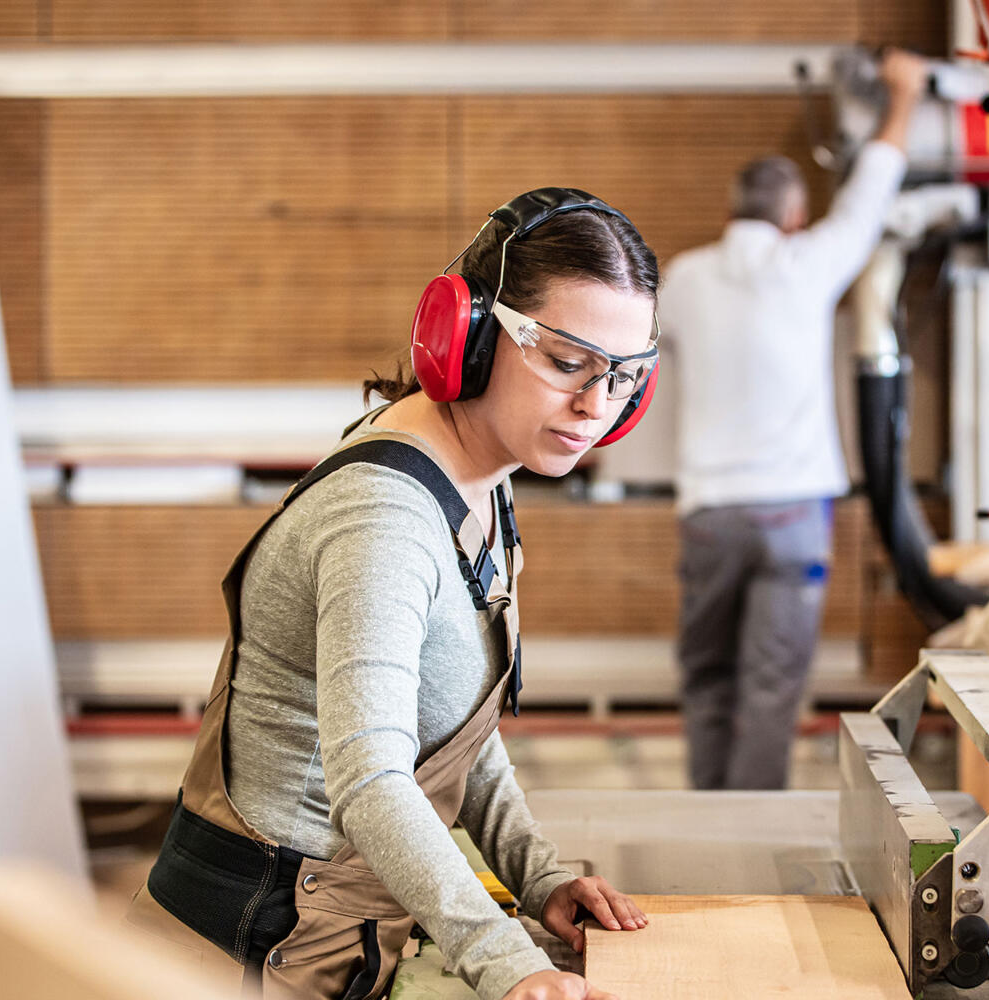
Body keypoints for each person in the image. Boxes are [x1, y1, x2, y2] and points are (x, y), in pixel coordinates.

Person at [125, 189, 661, 1000]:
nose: (595, 406)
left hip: (340, 931)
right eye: (565, 360)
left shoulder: (482, 476)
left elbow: (448, 721)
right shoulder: (384, 519)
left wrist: (538, 876)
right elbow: (372, 778)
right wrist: (506, 961)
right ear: (472, 336)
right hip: (253, 950)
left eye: (622, 376)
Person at [658, 50, 928, 791]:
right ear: (794, 215)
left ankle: (707, 826)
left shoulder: (682, 279)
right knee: (771, 690)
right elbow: (874, 187)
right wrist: (903, 94)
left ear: (730, 212)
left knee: (708, 677)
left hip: (710, 513)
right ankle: (751, 837)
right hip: (793, 516)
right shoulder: (810, 262)